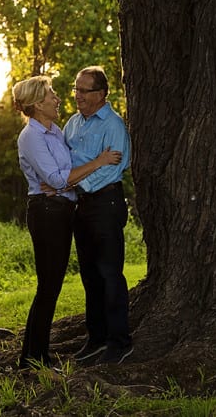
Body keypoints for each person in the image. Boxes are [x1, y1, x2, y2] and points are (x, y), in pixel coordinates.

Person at [12, 75, 122, 370]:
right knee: (48, 286)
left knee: (52, 285)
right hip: (46, 213)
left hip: (61, 210)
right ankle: (34, 358)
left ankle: (34, 356)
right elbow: (59, 179)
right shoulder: (32, 136)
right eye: (51, 95)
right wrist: (98, 162)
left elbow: (66, 173)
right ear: (37, 103)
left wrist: (64, 184)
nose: (58, 99)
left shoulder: (55, 131)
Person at [63, 66, 133, 365]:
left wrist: (76, 180)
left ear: (101, 93)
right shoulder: (74, 123)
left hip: (106, 203)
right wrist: (70, 182)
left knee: (110, 274)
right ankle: (96, 338)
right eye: (76, 89)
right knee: (90, 275)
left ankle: (119, 342)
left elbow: (114, 166)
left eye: (83, 90)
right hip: (80, 205)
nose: (77, 95)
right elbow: (63, 159)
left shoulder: (113, 125)